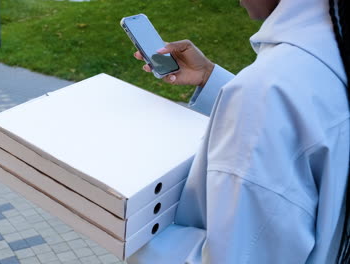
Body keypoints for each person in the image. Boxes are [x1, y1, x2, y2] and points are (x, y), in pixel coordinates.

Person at [127, 0, 349, 263]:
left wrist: (131, 233)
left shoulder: (267, 92)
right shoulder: (330, 49)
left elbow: (241, 256)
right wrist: (211, 78)